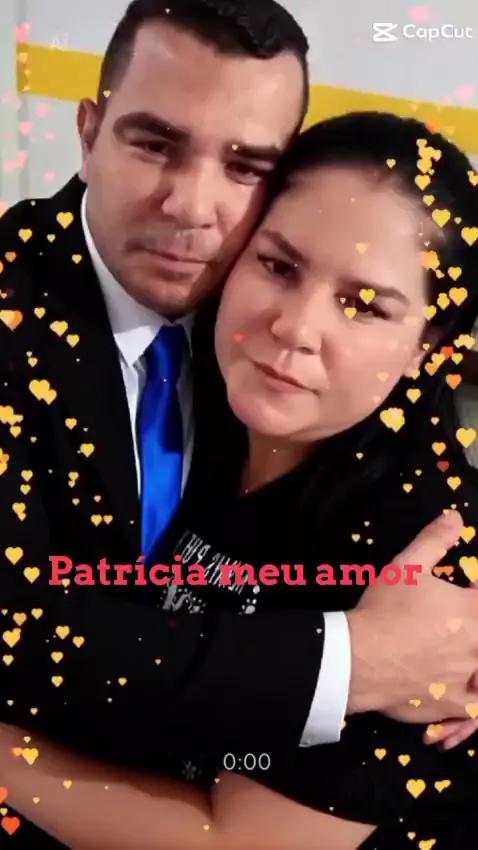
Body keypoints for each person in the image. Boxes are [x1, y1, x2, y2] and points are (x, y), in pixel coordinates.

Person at [1, 0, 478, 843]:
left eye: (245, 165)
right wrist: (353, 663)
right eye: (155, 144)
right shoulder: (54, 317)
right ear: (89, 130)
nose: (192, 205)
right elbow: (24, 625)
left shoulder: (416, 534)